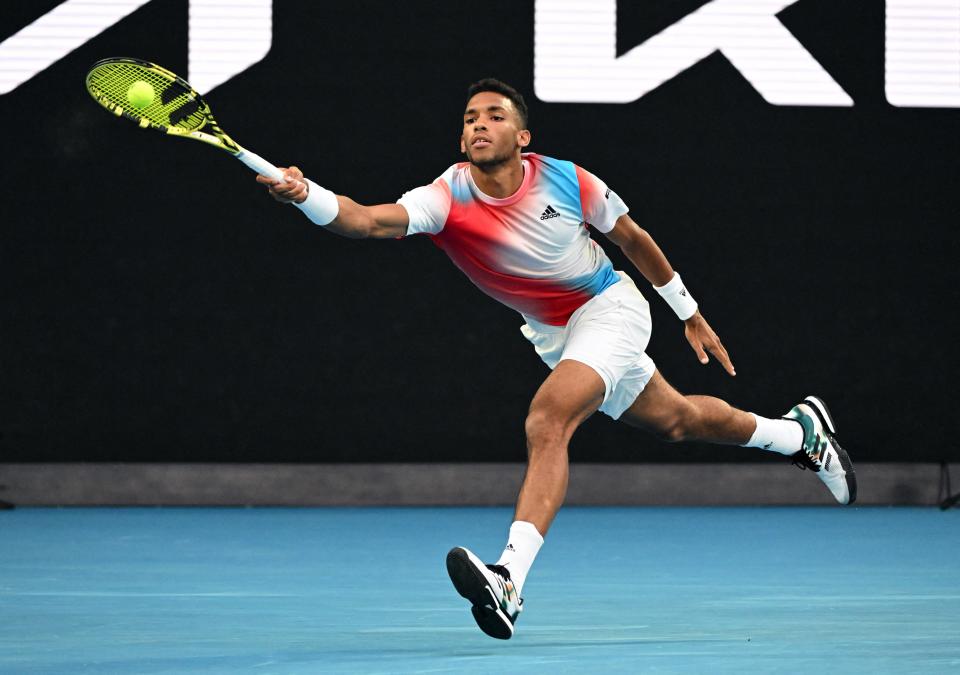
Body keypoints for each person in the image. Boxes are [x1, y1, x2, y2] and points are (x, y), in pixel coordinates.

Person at [256, 78, 856, 640]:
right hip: (553, 334)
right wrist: (304, 193)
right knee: (677, 421)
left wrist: (688, 311)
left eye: (495, 116)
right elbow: (366, 221)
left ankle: (509, 579)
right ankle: (796, 434)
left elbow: (633, 240)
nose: (479, 125)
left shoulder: (568, 180)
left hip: (609, 307)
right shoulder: (446, 196)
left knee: (548, 420)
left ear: (523, 138)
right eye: (470, 119)